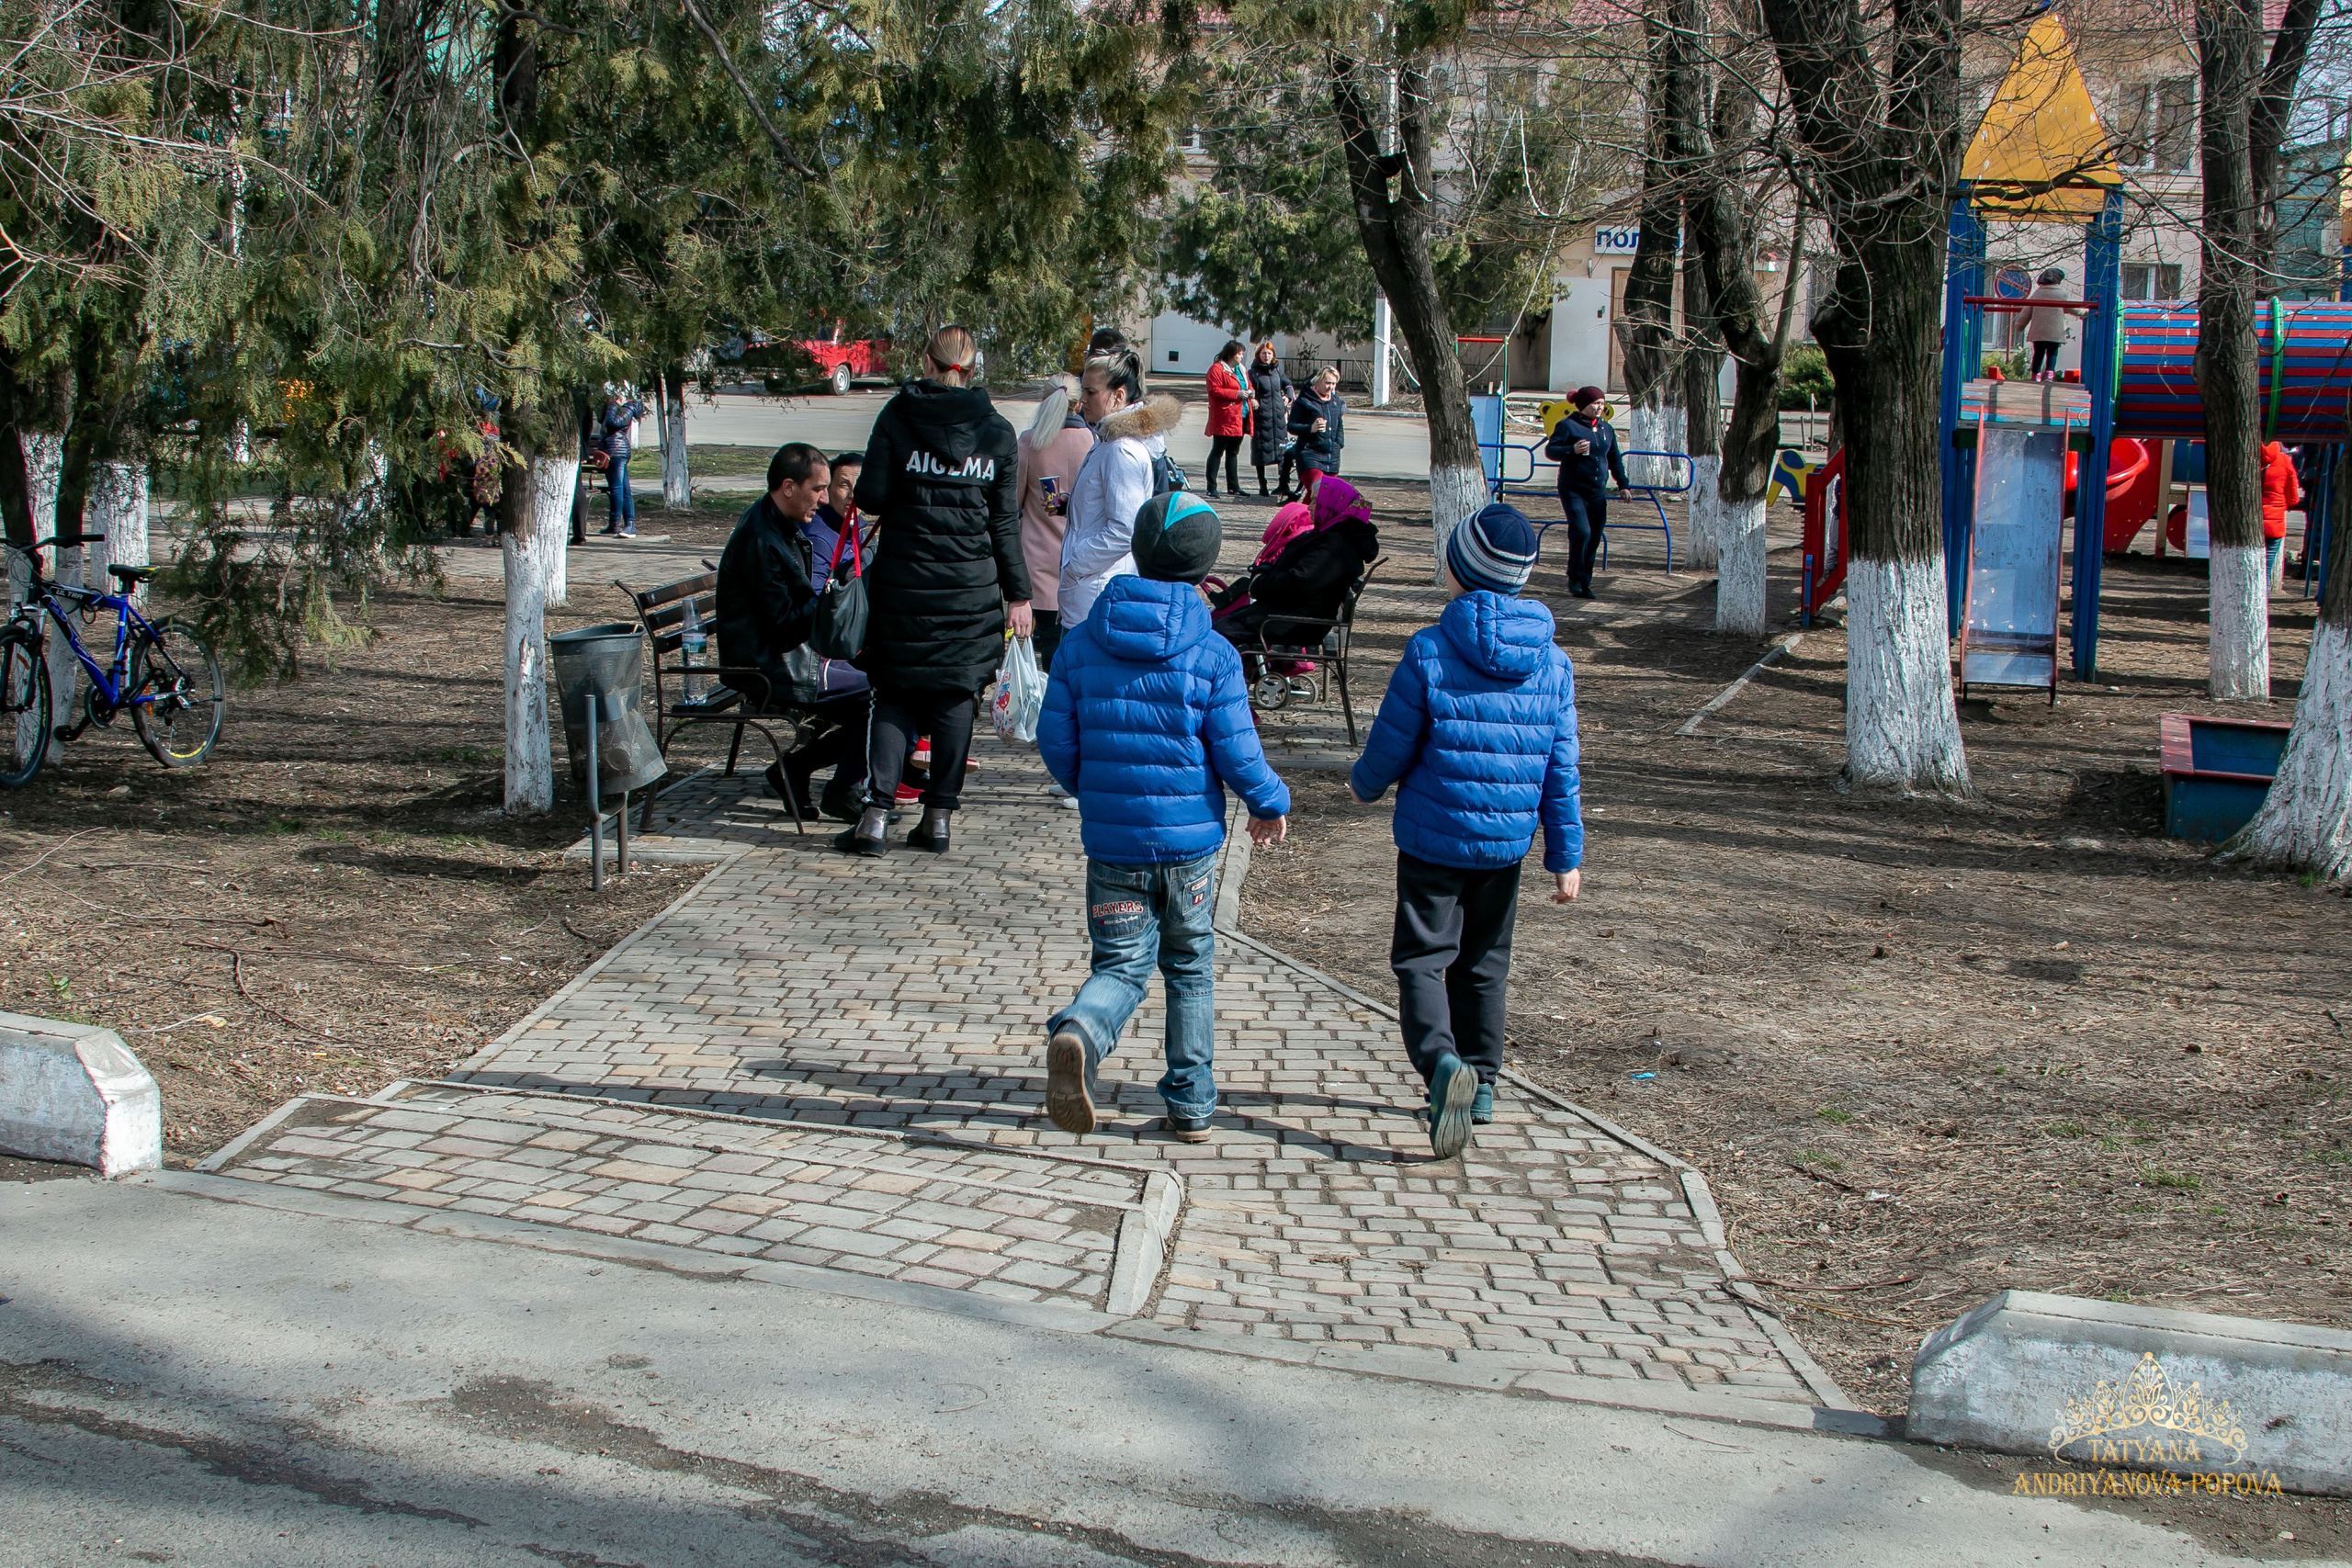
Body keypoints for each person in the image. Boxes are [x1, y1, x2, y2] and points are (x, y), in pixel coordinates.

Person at [1037, 491, 1291, 1144]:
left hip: (1114, 845)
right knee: (1189, 964)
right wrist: (1269, 803)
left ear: (1139, 551)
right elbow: (1238, 751)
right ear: (1206, 563)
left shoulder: (1081, 642)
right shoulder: (1213, 654)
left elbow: (1056, 739)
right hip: (1191, 851)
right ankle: (1192, 1102)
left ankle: (1081, 1032)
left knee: (1120, 966)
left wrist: (1093, 789)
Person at [1346, 502, 1583, 1159]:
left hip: (1432, 838)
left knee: (1422, 960)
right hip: (1504, 846)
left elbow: (1393, 744)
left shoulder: (1429, 649)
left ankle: (1441, 1063)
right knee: (1485, 965)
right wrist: (1566, 854)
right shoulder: (1553, 665)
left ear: (1458, 571)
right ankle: (1480, 1087)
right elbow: (1561, 766)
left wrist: (1362, 784)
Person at [842, 325, 1033, 857]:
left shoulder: (898, 417)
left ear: (927, 363)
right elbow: (1003, 525)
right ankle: (938, 818)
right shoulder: (996, 432)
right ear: (972, 370)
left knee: (895, 694)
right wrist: (1019, 596)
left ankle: (876, 817)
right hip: (969, 592)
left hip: (904, 586)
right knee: (954, 697)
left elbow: (874, 497)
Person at [715, 443, 871, 823]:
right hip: (770, 663)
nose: (822, 499)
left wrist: (836, 587)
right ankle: (837, 788)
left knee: (884, 690)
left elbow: (797, 605)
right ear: (788, 486)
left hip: (790, 653)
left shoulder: (778, 524)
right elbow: (783, 622)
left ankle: (797, 770)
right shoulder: (760, 539)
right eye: (818, 489)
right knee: (881, 696)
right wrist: (833, 597)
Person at [1060, 344, 1181, 628]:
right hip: (1090, 591)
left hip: (1096, 595)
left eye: (1091, 392)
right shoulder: (1108, 440)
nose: (1083, 400)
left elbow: (1125, 529)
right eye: (1083, 391)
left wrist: (1076, 564)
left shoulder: (1120, 449)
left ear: (1119, 396)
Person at [1212, 475, 1378, 668]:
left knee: (1216, 632)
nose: (1309, 507)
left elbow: (1298, 582)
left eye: (1315, 501)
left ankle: (1220, 682)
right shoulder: (1333, 535)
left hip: (1296, 621)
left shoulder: (1335, 546)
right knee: (1221, 624)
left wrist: (1259, 584)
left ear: (1330, 506)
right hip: (1294, 613)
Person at [1016, 374, 1092, 675]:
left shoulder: (1030, 442)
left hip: (1039, 562)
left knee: (1047, 642)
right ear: (1079, 402)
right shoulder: (1095, 441)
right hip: (1083, 560)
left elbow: (1014, 500)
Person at [1544, 385, 1629, 599]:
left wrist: (1623, 485)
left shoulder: (1605, 429)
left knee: (1594, 536)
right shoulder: (1568, 426)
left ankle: (1585, 581)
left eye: (1602, 403)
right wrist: (1571, 450)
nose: (1600, 407)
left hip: (1596, 492)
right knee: (1581, 532)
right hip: (1573, 489)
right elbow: (1551, 451)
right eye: (1595, 403)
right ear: (1583, 405)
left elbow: (1614, 458)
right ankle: (1574, 577)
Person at [1247, 343, 1295, 499]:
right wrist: (1252, 399)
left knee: (1283, 451)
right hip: (1261, 417)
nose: (1266, 356)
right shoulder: (1253, 373)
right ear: (1259, 355)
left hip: (1278, 417)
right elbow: (1248, 389)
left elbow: (1288, 384)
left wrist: (1287, 397)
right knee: (1261, 451)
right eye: (1264, 353)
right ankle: (1263, 484)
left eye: (1269, 353)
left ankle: (1283, 484)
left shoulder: (1277, 371)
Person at [598, 387, 648, 537]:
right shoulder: (619, 408)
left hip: (618, 453)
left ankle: (619, 524)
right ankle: (626, 524)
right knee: (624, 489)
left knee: (617, 489)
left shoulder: (627, 408)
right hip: (611, 452)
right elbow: (603, 419)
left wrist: (613, 405)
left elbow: (613, 423)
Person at [1203, 340, 1250, 499]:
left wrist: (1251, 394)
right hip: (1225, 416)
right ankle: (1211, 487)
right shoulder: (1217, 369)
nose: (1241, 357)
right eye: (1239, 354)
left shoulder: (1240, 369)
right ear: (1231, 354)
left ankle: (1233, 486)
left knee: (1233, 452)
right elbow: (1214, 390)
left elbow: (1247, 385)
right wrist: (1236, 394)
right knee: (1218, 450)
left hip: (1240, 415)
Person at [1286, 367, 1344, 491]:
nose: (1331, 387)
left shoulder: (1336, 402)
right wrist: (1311, 428)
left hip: (1331, 456)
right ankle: (1299, 510)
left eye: (1334, 383)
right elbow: (1291, 426)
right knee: (1318, 491)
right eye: (1328, 383)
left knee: (1326, 496)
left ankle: (1301, 510)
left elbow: (1339, 424)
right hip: (1310, 453)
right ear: (1318, 381)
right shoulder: (1304, 401)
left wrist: (1338, 444)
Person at [2022, 268, 2085, 382]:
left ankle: (2035, 375)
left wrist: (2019, 325)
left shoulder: (2037, 294)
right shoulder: (2061, 294)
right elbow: (2072, 308)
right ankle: (2049, 375)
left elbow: (2027, 311)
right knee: (2052, 353)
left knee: (2038, 353)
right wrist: (2084, 312)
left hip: (2038, 331)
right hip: (2054, 331)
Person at [2262, 439, 2301, 587]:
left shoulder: (2248, 457)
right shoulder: (2284, 460)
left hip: (2250, 525)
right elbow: (2293, 497)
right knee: (2266, 570)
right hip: (2274, 524)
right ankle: (2261, 606)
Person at [814, 451, 863, 558]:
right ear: (828, 488)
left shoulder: (862, 532)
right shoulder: (818, 539)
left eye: (859, 485)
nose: (852, 495)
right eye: (844, 485)